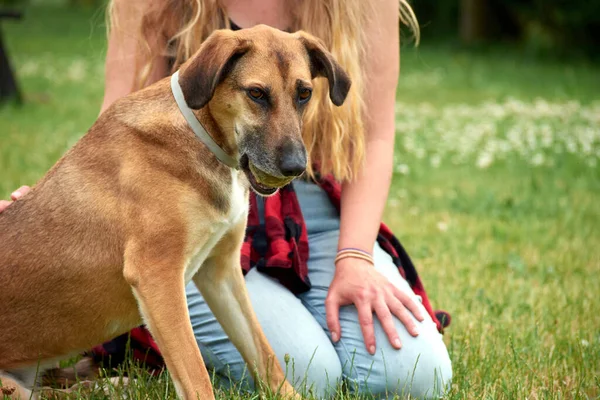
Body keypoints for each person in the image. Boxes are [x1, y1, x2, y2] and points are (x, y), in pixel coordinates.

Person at [1, 0, 452, 398]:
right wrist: (43, 208)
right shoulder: (174, 138)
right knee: (313, 372)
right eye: (258, 96)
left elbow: (376, 137)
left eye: (301, 97)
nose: (290, 143)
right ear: (213, 78)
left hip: (315, 216)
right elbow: (116, 126)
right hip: (191, 190)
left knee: (418, 376)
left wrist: (355, 255)